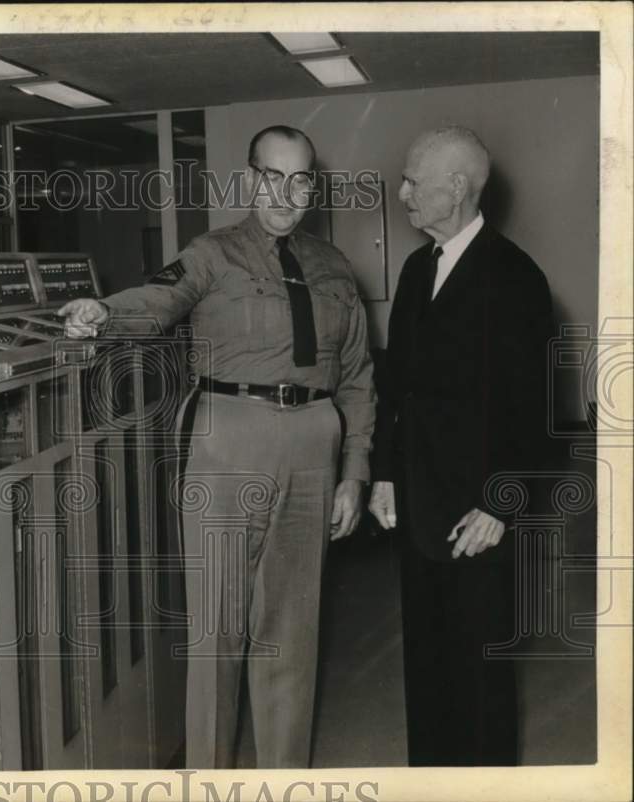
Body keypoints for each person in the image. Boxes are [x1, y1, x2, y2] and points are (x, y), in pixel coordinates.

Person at [59, 126, 376, 768]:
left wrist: (355, 472)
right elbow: (159, 298)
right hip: (230, 435)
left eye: (300, 178)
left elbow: (360, 377)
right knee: (219, 630)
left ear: (312, 186)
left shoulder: (337, 267)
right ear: (250, 178)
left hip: (316, 438)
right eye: (273, 176)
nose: (286, 192)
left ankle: (284, 778)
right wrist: (102, 311)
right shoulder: (213, 252)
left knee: (293, 629)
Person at [369, 126, 553, 766]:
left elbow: (536, 413)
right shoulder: (420, 268)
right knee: (427, 671)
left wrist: (501, 504)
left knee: (480, 681)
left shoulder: (516, 278)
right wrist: (385, 474)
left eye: (413, 182)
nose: (401, 193)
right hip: (418, 507)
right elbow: (399, 388)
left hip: (480, 517)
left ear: (456, 187)